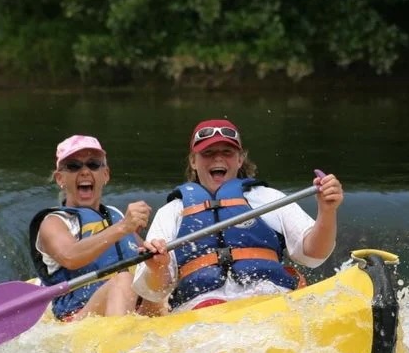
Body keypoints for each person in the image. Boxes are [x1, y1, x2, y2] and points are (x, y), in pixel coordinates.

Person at [133, 118, 344, 312]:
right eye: (207, 153)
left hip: (269, 299)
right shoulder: (171, 212)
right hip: (202, 309)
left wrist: (327, 210)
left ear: (240, 159)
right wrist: (158, 266)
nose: (218, 158)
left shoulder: (269, 198)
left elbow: (314, 254)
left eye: (227, 152)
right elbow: (155, 290)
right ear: (193, 162)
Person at [29, 134, 156, 320]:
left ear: (105, 175)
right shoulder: (53, 222)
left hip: (128, 307)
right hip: (77, 318)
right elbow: (70, 256)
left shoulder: (116, 216)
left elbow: (143, 259)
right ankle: (120, 342)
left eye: (93, 164)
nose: (85, 171)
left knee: (155, 289)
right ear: (60, 178)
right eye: (73, 166)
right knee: (123, 280)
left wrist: (157, 255)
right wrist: (123, 227)